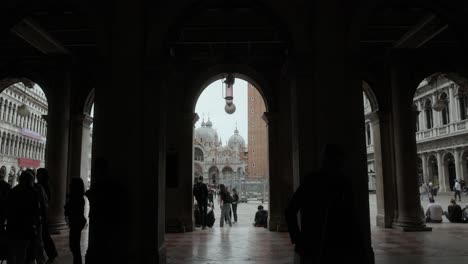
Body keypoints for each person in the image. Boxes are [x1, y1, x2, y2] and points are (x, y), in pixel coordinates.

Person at [285, 144, 366, 263]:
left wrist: (298, 240)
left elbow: (290, 210)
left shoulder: (313, 180)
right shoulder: (343, 182)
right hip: (334, 246)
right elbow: (351, 216)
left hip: (317, 244)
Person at [6, 171, 42, 264]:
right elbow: (36, 212)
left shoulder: (12, 192)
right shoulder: (33, 193)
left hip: (12, 227)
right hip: (26, 228)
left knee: (12, 253)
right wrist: (38, 227)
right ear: (30, 181)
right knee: (22, 254)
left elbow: (7, 210)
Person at [36, 168, 58, 261]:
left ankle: (52, 253)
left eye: (38, 174)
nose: (37, 176)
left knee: (44, 236)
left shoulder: (42, 187)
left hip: (42, 215)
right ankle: (52, 253)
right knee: (45, 235)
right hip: (44, 214)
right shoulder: (46, 185)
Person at [64, 178, 87, 264]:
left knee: (74, 246)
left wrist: (67, 208)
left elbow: (71, 209)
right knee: (74, 245)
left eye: (71, 184)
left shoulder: (75, 198)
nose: (69, 185)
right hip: (78, 221)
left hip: (76, 222)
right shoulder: (79, 198)